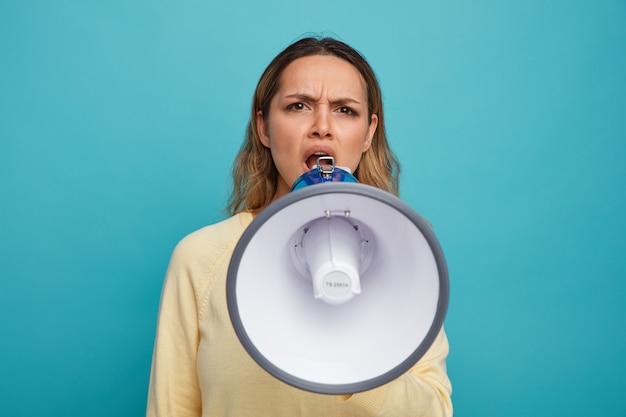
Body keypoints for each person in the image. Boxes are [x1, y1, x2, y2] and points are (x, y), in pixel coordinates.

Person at [147, 36, 452, 417]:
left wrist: (359, 346)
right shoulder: (201, 258)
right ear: (263, 127)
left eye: (344, 110)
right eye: (298, 106)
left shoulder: (407, 249)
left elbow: (435, 410)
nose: (322, 126)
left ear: (369, 133)